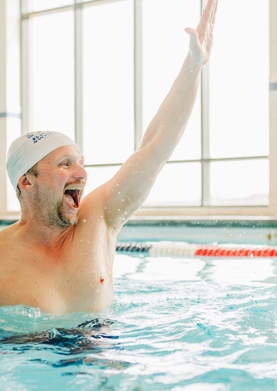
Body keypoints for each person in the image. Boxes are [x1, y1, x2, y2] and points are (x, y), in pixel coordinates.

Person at [0, 0, 218, 315]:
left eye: (80, 162)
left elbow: (155, 147)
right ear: (27, 180)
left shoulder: (98, 218)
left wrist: (193, 66)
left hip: (101, 354)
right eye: (65, 164)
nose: (82, 173)